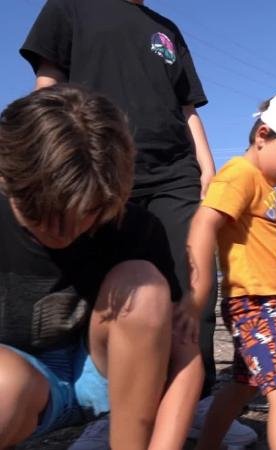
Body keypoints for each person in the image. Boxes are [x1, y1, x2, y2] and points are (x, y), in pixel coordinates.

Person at [18, 0, 256, 447]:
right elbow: (47, 83)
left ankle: (199, 402)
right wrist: (42, 154)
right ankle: (114, 407)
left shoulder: (167, 29)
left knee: (192, 281)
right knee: (109, 285)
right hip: (99, 166)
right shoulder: (69, 7)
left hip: (174, 171)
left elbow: (186, 108)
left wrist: (206, 166)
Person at [0, 85, 194, 449]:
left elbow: (187, 358)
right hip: (18, 377)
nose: (65, 232)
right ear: (6, 180)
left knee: (144, 289)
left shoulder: (134, 228)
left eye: (87, 215)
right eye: (42, 214)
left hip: (105, 374)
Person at [185, 94, 276, 450]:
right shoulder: (239, 174)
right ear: (263, 135)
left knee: (243, 386)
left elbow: (267, 224)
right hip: (254, 302)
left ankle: (207, 445)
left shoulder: (266, 187)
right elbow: (203, 222)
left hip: (271, 303)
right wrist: (197, 292)